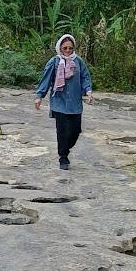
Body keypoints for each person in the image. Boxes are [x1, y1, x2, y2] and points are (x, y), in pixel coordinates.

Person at [34, 33, 93, 169]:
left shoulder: (78, 62)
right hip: (59, 102)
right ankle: (63, 157)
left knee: (75, 130)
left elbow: (85, 77)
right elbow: (46, 80)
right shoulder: (54, 62)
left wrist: (88, 91)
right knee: (61, 130)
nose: (67, 51)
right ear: (60, 48)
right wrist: (39, 96)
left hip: (74, 103)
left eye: (70, 48)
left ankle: (66, 148)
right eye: (65, 48)